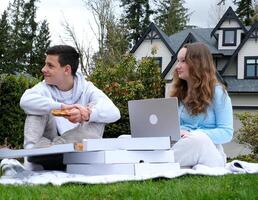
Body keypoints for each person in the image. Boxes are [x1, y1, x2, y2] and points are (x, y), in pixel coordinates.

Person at [20, 45, 120, 170]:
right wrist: (62, 106)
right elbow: (25, 101)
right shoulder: (44, 87)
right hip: (47, 145)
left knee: (97, 113)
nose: (43, 69)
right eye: (45, 64)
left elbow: (115, 112)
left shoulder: (87, 88)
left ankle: (52, 151)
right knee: (35, 108)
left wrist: (87, 114)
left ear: (67, 70)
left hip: (76, 144)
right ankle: (30, 161)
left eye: (50, 66)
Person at [170, 42, 233, 168]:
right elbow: (174, 127)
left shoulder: (218, 93)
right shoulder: (179, 93)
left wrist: (193, 133)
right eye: (177, 61)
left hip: (208, 150)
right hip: (182, 146)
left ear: (197, 63)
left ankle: (154, 163)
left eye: (183, 61)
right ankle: (159, 161)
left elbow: (226, 132)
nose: (177, 66)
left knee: (198, 139)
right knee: (124, 138)